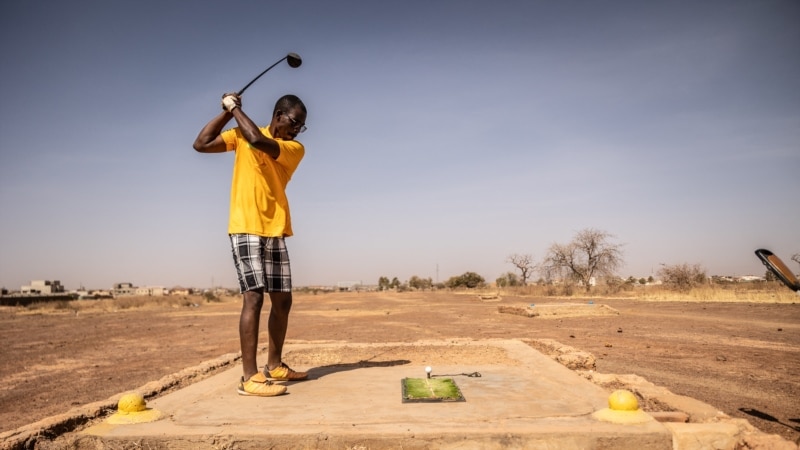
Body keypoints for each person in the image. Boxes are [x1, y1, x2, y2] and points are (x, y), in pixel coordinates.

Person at [193, 92, 309, 397]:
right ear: (279, 114)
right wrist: (228, 113)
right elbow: (201, 143)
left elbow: (257, 140)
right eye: (295, 122)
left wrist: (234, 108)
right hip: (245, 228)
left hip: (276, 228)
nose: (298, 130)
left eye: (302, 126)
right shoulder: (240, 134)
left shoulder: (293, 148)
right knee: (254, 299)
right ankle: (249, 377)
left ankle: (275, 365)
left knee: (282, 301)